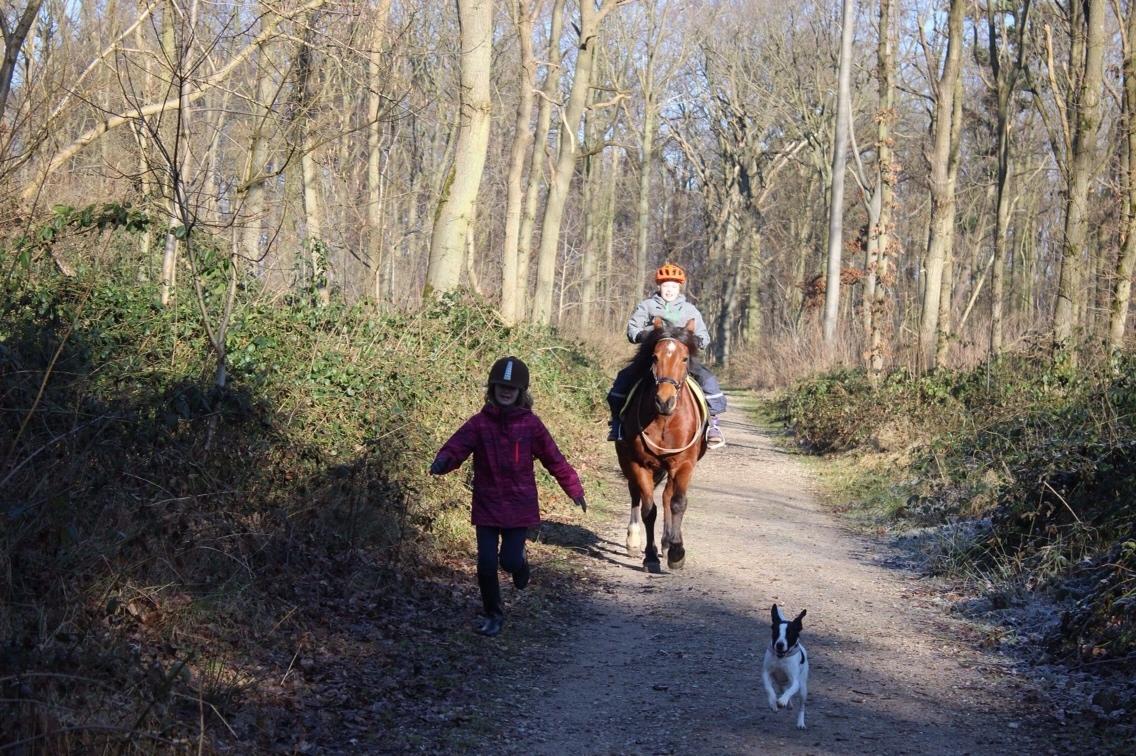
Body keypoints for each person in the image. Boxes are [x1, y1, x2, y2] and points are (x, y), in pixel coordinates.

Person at [429, 356, 587, 637]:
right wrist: (444, 461)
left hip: (519, 505)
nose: (506, 391)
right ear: (492, 388)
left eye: (511, 388)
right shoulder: (479, 423)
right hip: (487, 503)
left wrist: (573, 487)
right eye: (501, 386)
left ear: (521, 393)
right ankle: (493, 614)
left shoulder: (531, 425)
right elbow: (457, 446)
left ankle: (521, 563)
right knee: (487, 564)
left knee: (509, 562)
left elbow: (554, 458)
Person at [607, 262, 727, 447]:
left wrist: (697, 340)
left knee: (708, 379)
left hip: (681, 359)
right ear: (658, 286)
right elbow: (633, 328)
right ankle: (617, 423)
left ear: (679, 287)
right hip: (653, 358)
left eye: (673, 286)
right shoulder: (647, 306)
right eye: (665, 286)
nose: (669, 290)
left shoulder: (690, 310)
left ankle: (713, 425)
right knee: (623, 378)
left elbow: (703, 335)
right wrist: (646, 334)